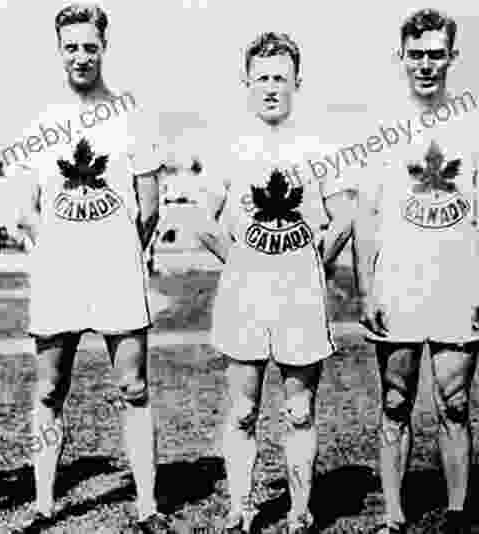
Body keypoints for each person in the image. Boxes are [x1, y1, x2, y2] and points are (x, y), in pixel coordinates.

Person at [13, 4, 167, 532]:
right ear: (58, 50)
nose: (81, 56)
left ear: (104, 46)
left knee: (134, 389)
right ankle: (43, 504)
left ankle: (147, 504)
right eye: (70, 46)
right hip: (60, 277)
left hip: (117, 276)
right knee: (50, 392)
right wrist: (52, 248)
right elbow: (25, 206)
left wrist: (118, 248)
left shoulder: (130, 114)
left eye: (89, 46)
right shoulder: (41, 120)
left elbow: (149, 205)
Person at [354, 9, 479, 534]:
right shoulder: (381, 125)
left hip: (457, 282)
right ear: (402, 57)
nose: (425, 64)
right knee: (395, 401)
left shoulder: (478, 122)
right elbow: (367, 215)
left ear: (451, 58)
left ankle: (458, 515)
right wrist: (367, 287)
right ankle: (393, 515)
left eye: (436, 54)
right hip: (398, 282)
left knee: (454, 402)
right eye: (416, 54)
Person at [196, 32, 355, 534]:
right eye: (261, 78)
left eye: (280, 79)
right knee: (242, 410)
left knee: (299, 411)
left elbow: (345, 217)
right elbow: (203, 220)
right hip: (244, 295)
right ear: (247, 82)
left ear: (296, 83)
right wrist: (240, 261)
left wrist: (315, 264)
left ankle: (299, 511)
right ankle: (239, 509)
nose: (270, 88)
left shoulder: (319, 145)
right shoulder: (228, 143)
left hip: (300, 296)